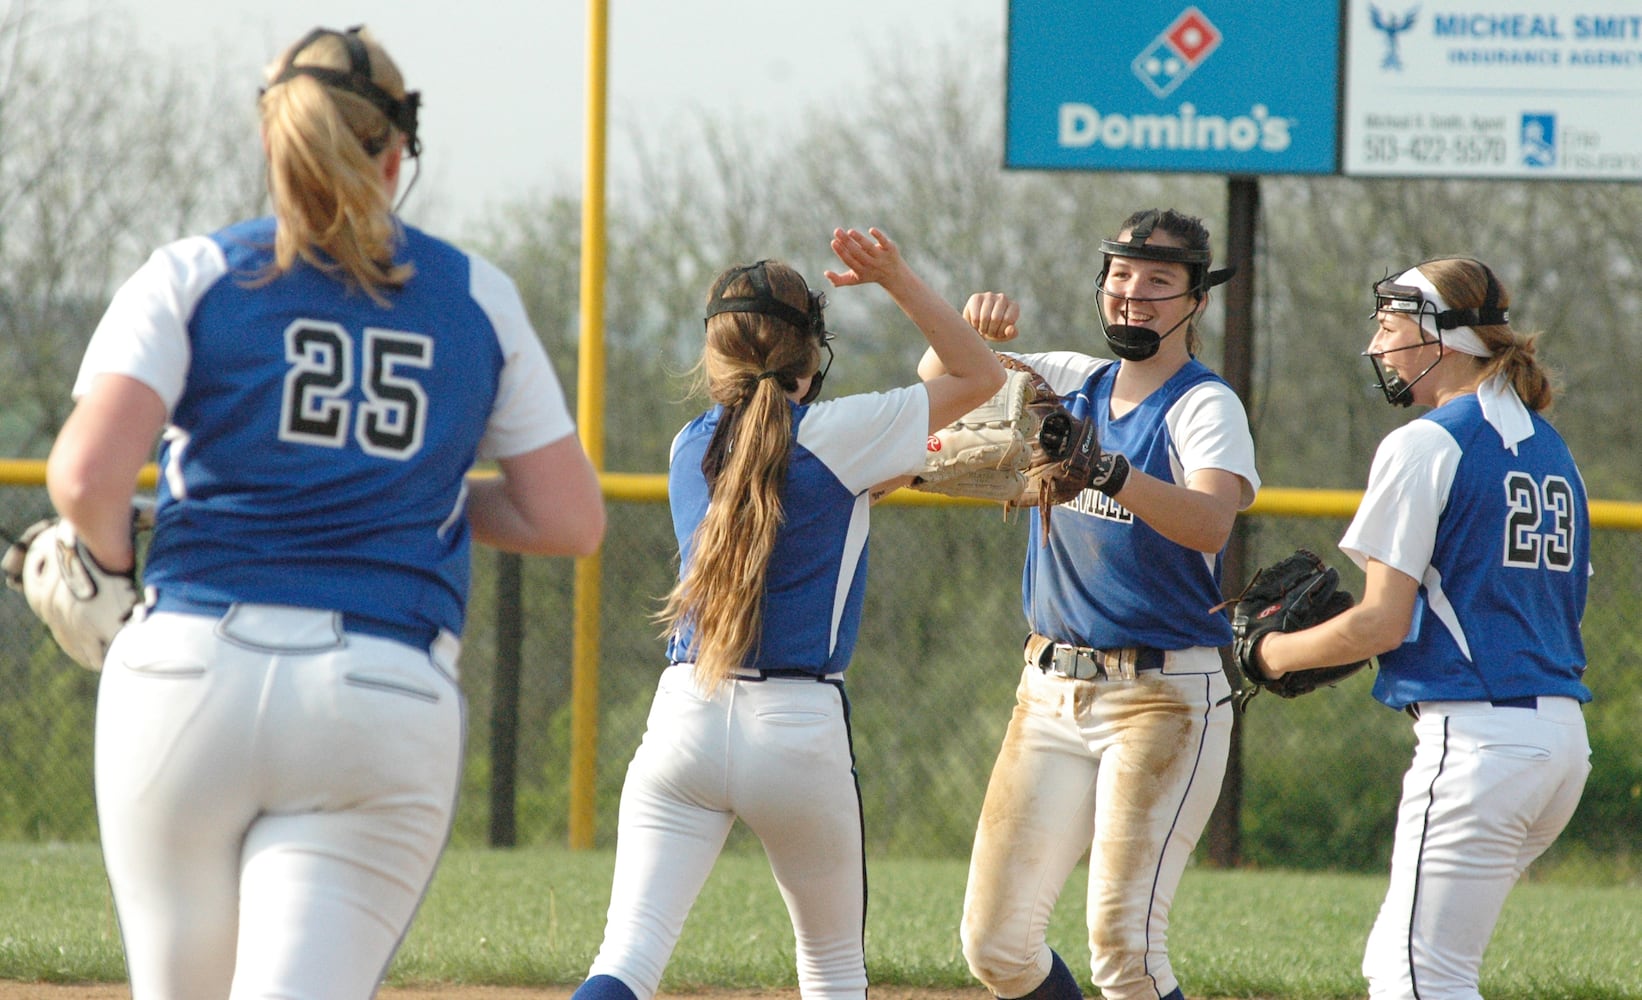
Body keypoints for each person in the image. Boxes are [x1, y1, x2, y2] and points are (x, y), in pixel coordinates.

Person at [43, 25, 606, 999]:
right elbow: (569, 519)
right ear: (396, 154)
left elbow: (90, 478)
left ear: (272, 138)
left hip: (184, 673)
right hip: (379, 689)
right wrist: (412, 491)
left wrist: (111, 572)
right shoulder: (474, 295)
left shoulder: (195, 271)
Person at [569, 227, 1005, 1000]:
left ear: (714, 358)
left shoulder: (686, 447)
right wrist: (898, 277)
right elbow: (979, 374)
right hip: (798, 730)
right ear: (813, 356)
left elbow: (857, 459)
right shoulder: (839, 439)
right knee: (833, 972)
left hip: (686, 716)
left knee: (627, 960)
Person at [922, 208, 1258, 1000]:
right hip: (1046, 693)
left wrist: (1107, 470)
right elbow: (936, 389)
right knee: (996, 946)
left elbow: (1210, 521)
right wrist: (959, 334)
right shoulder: (1071, 378)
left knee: (1125, 950)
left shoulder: (1204, 405)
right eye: (1120, 276)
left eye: (1158, 281)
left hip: (1163, 698)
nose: (1132, 295)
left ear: (1196, 299)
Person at [1248, 257, 1591, 1000]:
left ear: (1441, 336)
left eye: (1389, 326)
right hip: (1559, 744)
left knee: (1418, 976)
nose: (1376, 347)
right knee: (1409, 964)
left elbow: (1379, 621)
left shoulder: (1427, 443)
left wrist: (1267, 653)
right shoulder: (1551, 450)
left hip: (1479, 741)